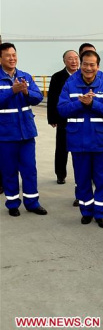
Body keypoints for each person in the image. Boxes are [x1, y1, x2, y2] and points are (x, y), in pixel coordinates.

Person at [57, 50, 103, 228]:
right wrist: (79, 103)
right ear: (80, 65)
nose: (88, 68)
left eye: (92, 64)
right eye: (85, 64)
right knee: (82, 180)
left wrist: (92, 104)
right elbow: (62, 109)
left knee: (101, 179)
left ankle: (101, 213)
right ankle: (86, 211)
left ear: (98, 67)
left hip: (100, 141)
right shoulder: (70, 85)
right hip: (78, 142)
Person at [0, 43, 47, 216]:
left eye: (14, 54)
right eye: (8, 55)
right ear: (0, 58)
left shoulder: (25, 76)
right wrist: (12, 91)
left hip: (26, 132)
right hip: (5, 134)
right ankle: (12, 204)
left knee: (29, 169)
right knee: (9, 170)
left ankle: (32, 203)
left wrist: (27, 92)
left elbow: (38, 97)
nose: (12, 58)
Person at [47, 50, 80, 185]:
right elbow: (52, 99)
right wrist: (52, 118)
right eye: (70, 59)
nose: (73, 61)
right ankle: (60, 174)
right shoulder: (57, 77)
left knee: (79, 150)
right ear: (64, 61)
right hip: (63, 118)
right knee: (61, 148)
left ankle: (82, 174)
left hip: (79, 118)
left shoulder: (84, 75)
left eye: (76, 58)